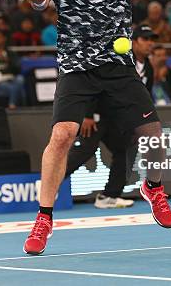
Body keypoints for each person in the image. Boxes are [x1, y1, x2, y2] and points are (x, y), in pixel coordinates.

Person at [23, 0, 171, 254]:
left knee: (152, 135)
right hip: (76, 69)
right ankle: (44, 218)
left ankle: (154, 188)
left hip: (118, 66)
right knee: (61, 135)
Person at [65, 25, 157, 210]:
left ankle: (109, 196)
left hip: (120, 120)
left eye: (151, 39)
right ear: (134, 41)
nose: (150, 44)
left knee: (125, 151)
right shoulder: (118, 58)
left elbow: (143, 98)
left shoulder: (149, 68)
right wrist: (88, 114)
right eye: (145, 39)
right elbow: (93, 84)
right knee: (84, 152)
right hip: (99, 115)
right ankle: (46, 186)